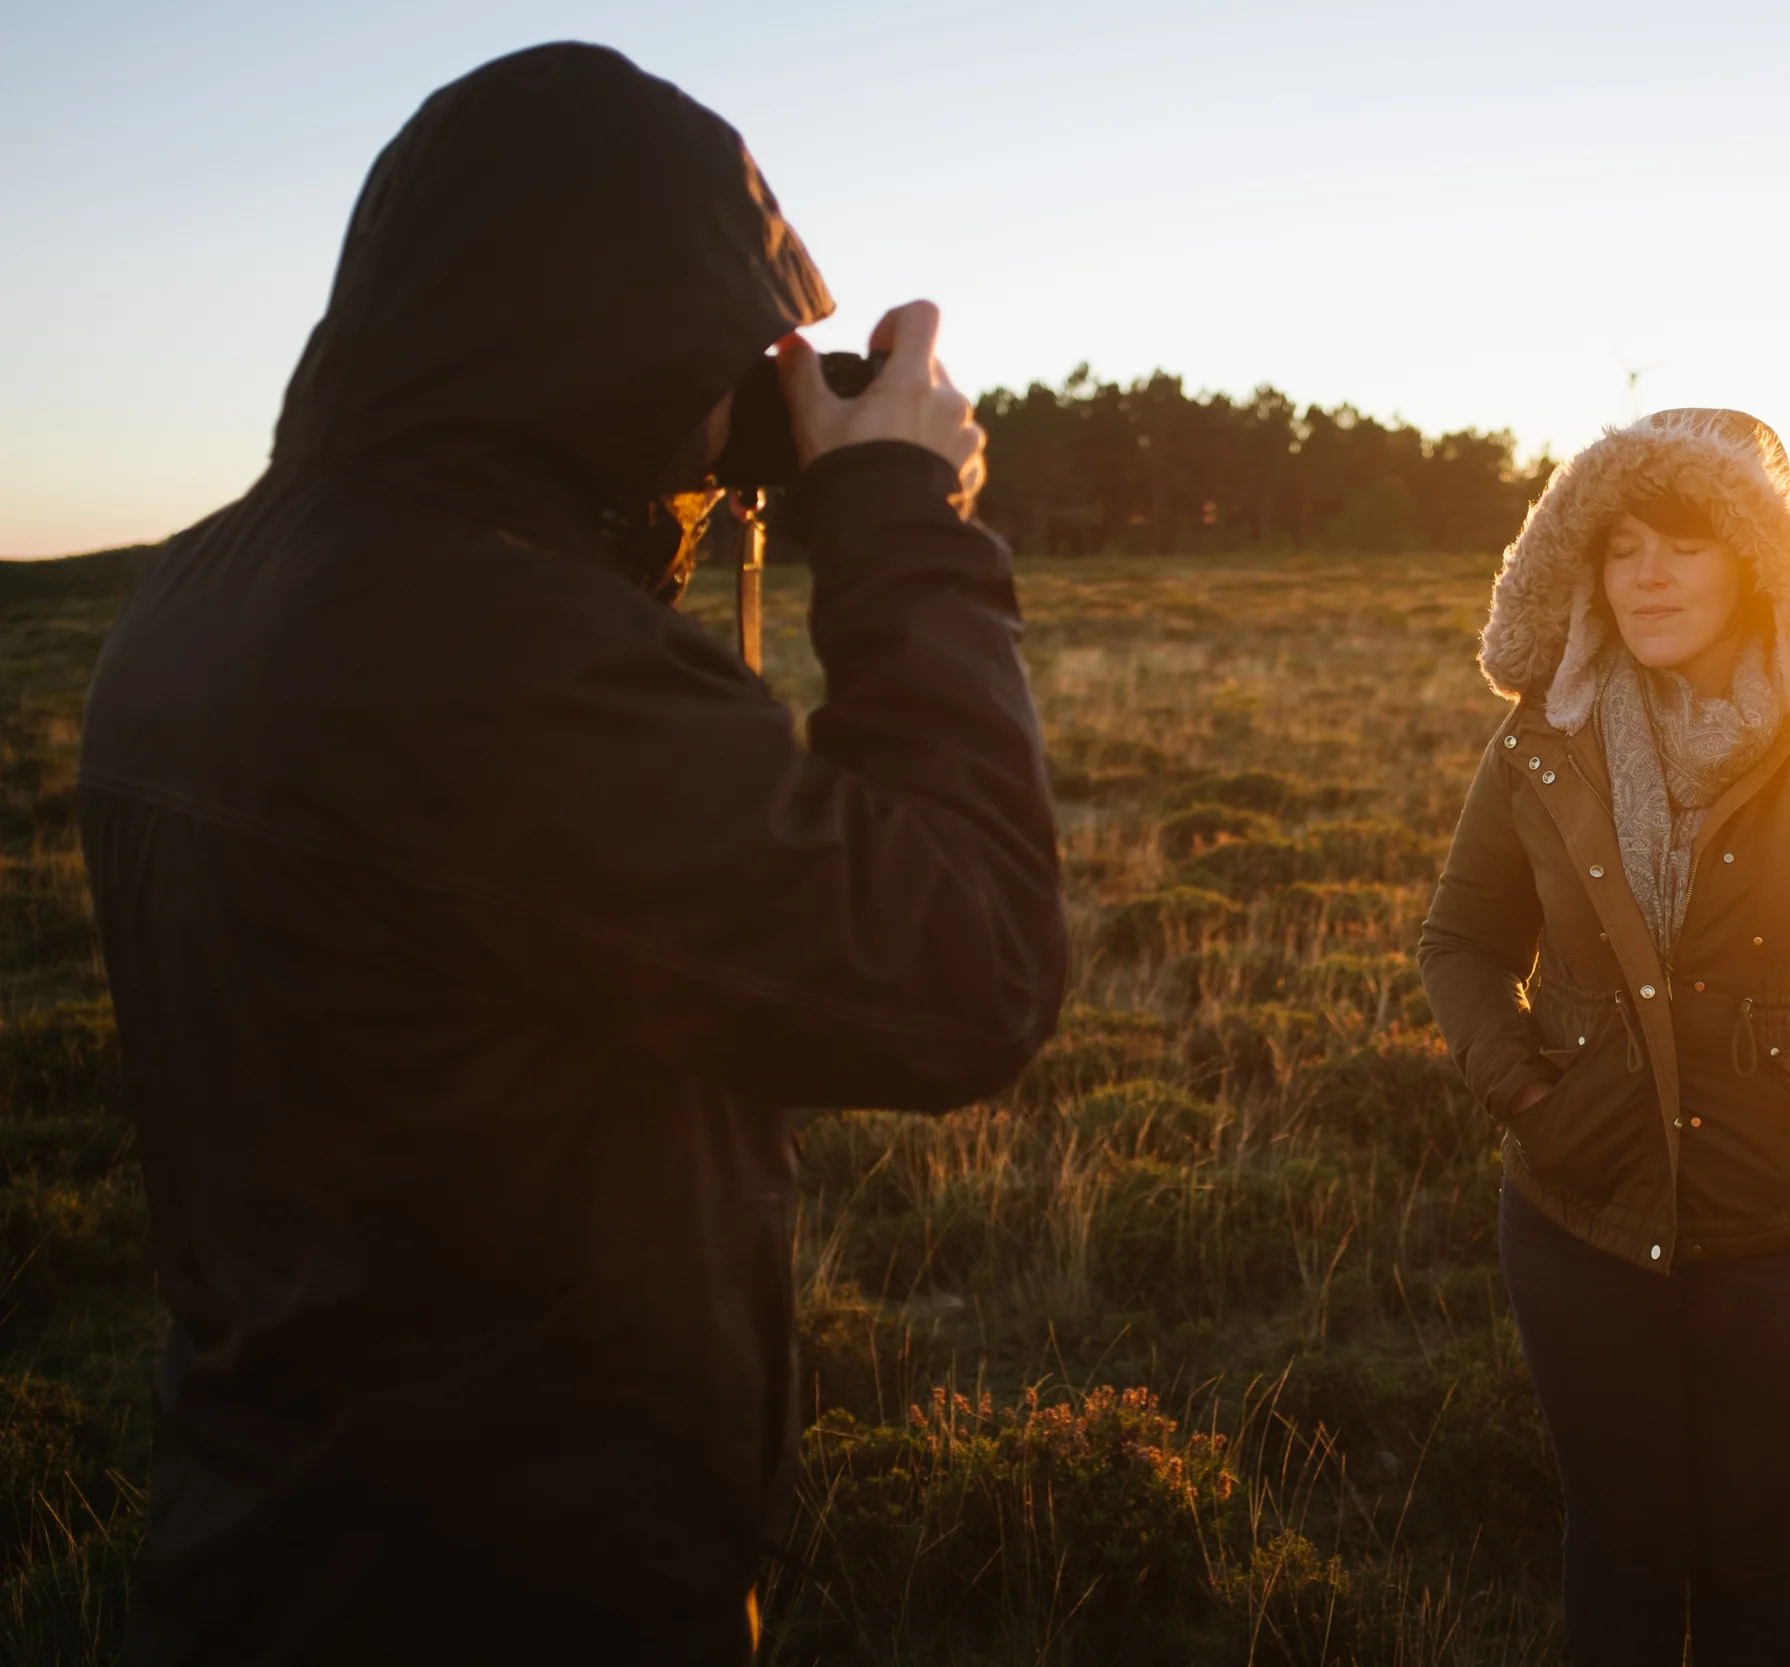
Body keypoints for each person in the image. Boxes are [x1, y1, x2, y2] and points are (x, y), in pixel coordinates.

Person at [75, 44, 1066, 1665]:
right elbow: (969, 967)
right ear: (615, 337)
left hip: (257, 1532)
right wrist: (898, 519)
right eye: (724, 345)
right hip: (515, 1581)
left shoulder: (193, 598)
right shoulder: (492, 654)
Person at [1417, 410, 1790, 1664]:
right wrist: (1529, 1098)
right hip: (1579, 1213)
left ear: (1761, 560)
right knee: (1618, 1538)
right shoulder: (1542, 738)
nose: (1648, 575)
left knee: (1748, 1540)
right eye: (1621, 546)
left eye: (1684, 544)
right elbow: (1458, 943)